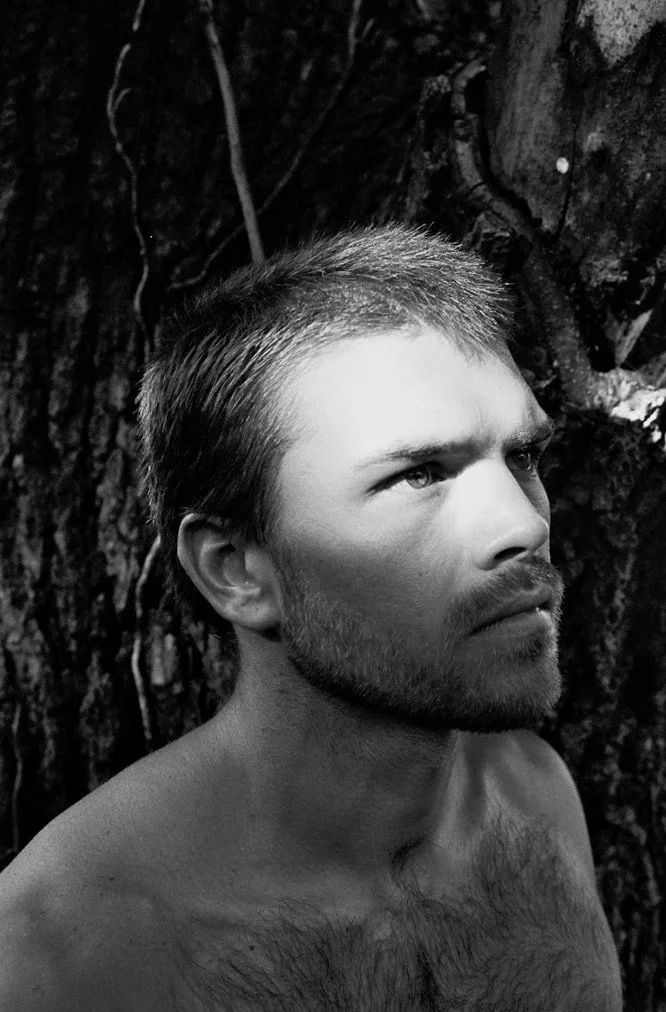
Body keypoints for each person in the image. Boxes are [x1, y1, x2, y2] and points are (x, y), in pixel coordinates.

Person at [0, 224, 622, 1010]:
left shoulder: (535, 800)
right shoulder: (59, 951)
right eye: (419, 473)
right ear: (236, 569)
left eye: (522, 457)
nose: (523, 525)